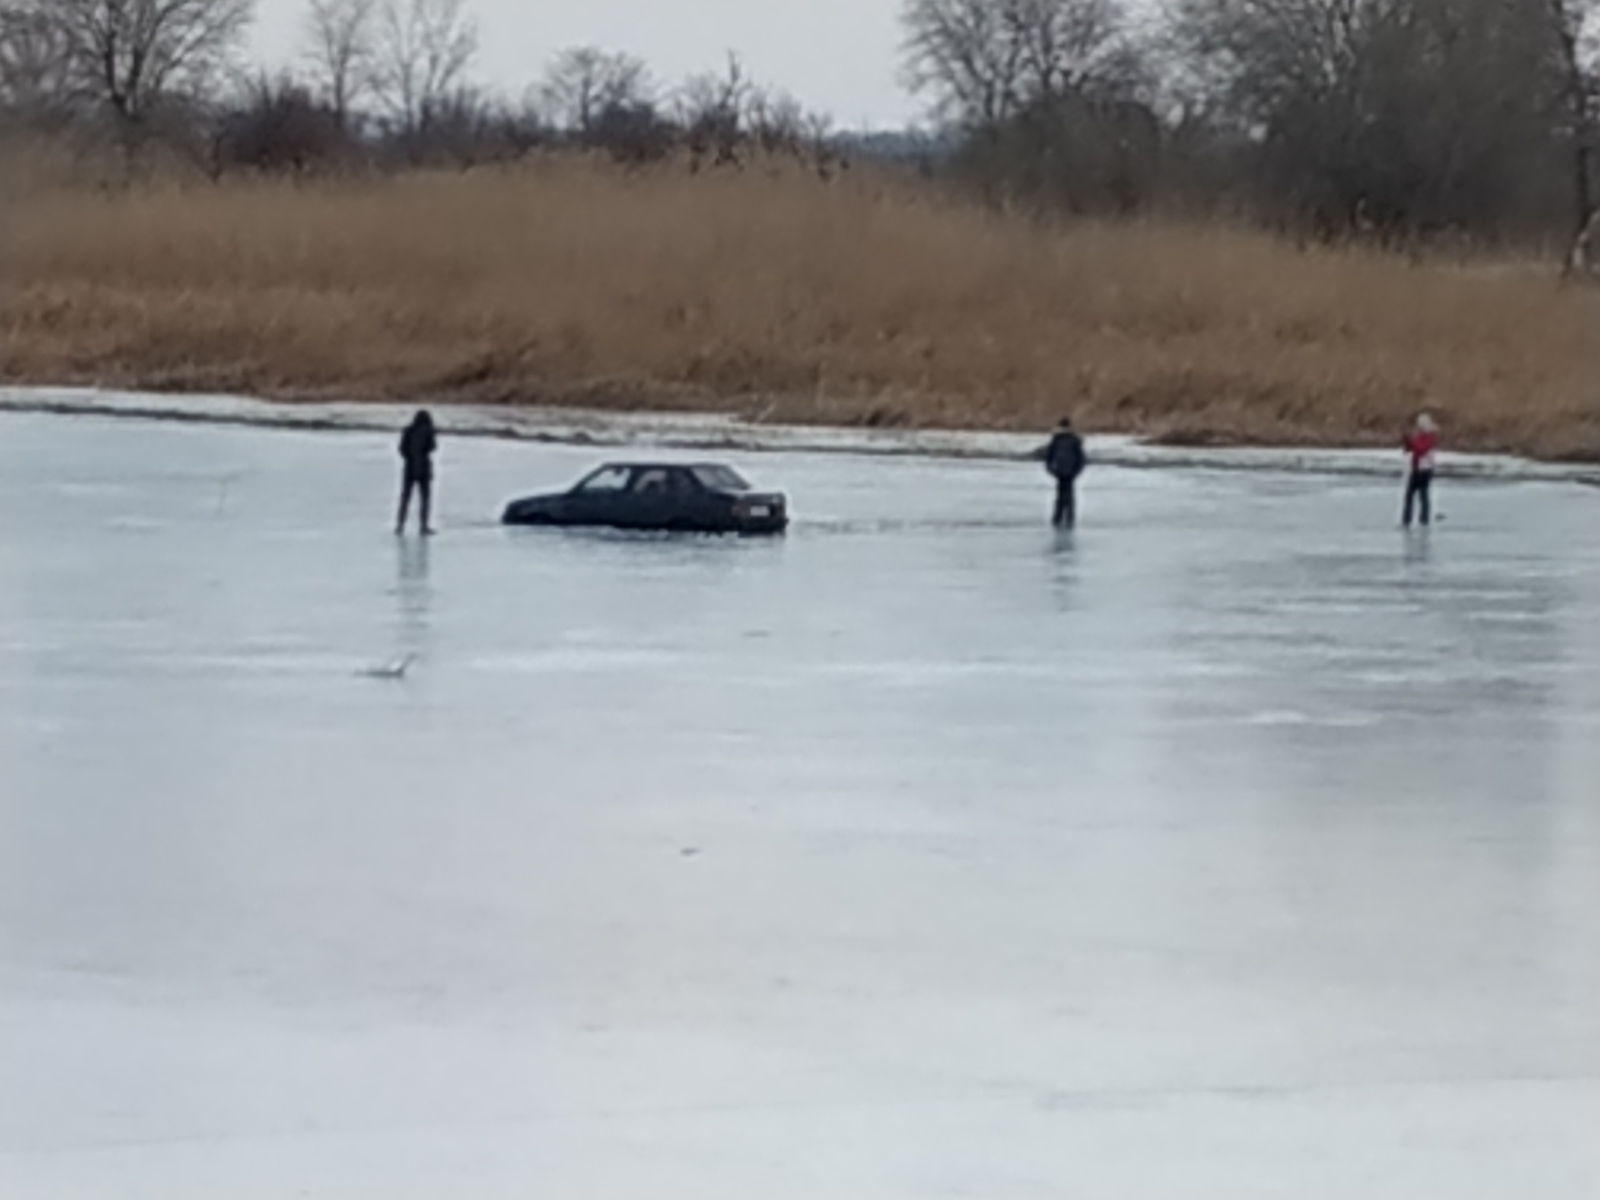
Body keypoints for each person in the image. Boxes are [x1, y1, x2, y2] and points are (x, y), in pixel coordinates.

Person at [396, 410, 437, 536]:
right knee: (424, 498)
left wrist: (409, 458)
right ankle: (423, 526)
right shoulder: (429, 431)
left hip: (409, 468)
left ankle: (400, 525)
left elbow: (401, 449)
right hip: (424, 468)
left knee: (405, 497)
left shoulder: (407, 431)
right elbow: (433, 447)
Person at [1043, 416, 1087, 528]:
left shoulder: (1056, 439)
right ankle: (1069, 519)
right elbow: (1081, 458)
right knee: (1070, 497)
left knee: (1059, 496)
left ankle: (1057, 519)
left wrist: (1050, 469)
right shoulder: (1075, 439)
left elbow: (1049, 456)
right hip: (1071, 471)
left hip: (1059, 470)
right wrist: (1077, 471)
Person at [1401, 412, 1439, 528]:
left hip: (1424, 470)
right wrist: (1407, 441)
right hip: (1417, 469)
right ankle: (1408, 520)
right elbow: (1409, 450)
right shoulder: (1421, 437)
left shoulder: (1429, 438)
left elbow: (1420, 450)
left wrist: (1412, 442)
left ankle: (1423, 520)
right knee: (1411, 496)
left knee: (1422, 496)